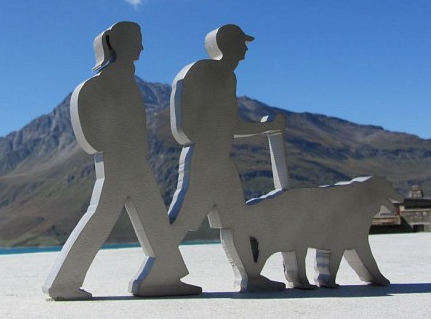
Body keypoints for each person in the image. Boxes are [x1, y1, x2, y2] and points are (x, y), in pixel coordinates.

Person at [43, 21, 200, 300]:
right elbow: (91, 132)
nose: (142, 46)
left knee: (152, 218)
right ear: (118, 44)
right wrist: (113, 151)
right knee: (101, 218)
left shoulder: (127, 83)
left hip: (134, 163)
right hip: (119, 164)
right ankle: (63, 282)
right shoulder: (96, 86)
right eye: (137, 40)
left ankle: (164, 276)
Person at [134, 24, 287, 293]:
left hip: (220, 161)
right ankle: (154, 275)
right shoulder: (200, 72)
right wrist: (206, 139)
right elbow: (184, 126)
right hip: (204, 160)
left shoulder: (228, 77)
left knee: (237, 219)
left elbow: (230, 125)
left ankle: (249, 276)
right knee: (182, 219)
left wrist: (264, 128)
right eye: (242, 43)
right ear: (227, 45)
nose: (246, 50)